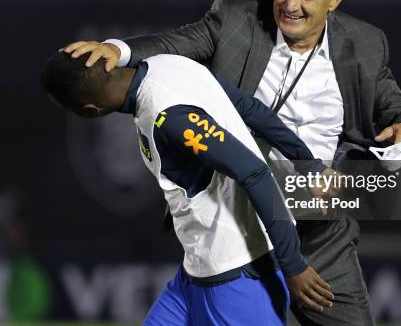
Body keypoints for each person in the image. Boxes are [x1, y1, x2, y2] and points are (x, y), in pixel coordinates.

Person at [62, 0, 401, 326]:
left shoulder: (364, 43)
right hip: (241, 230)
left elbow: (390, 101)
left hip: (318, 229)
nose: (290, 3)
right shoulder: (235, 19)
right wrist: (119, 51)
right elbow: (174, 43)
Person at [41, 52, 335, 325]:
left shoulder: (165, 115)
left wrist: (294, 265)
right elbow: (249, 109)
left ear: (90, 110)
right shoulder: (168, 64)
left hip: (238, 274)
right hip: (196, 272)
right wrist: (308, 162)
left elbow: (255, 172)